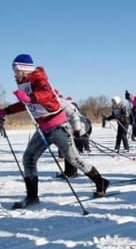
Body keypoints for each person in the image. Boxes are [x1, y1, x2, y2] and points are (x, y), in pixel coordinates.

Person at [0, 54, 109, 208]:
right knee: (29, 158)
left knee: (74, 159)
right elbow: (25, 103)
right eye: (13, 69)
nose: (14, 73)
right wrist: (5, 111)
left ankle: (101, 182)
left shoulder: (39, 78)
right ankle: (32, 197)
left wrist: (29, 97)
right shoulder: (23, 83)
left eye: (16, 69)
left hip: (57, 126)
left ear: (24, 69)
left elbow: (46, 95)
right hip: (43, 128)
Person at [55, 95, 91, 178]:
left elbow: (75, 118)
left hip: (78, 130)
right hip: (72, 130)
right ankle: (68, 171)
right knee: (67, 151)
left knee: (71, 152)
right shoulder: (60, 105)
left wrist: (77, 132)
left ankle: (72, 172)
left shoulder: (65, 106)